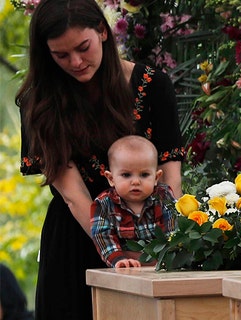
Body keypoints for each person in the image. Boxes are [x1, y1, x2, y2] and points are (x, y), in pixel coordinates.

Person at [15, 0, 184, 318]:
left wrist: (165, 243)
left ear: (103, 32)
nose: (76, 62)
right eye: (61, 55)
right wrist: (117, 253)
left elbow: (170, 176)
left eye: (83, 47)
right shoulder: (39, 100)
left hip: (150, 234)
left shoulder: (154, 86)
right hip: (77, 239)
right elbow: (73, 194)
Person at [91, 135, 177, 268]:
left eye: (144, 175)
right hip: (127, 269)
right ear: (111, 178)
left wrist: (169, 256)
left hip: (163, 266)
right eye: (126, 175)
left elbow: (173, 229)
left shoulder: (163, 196)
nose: (136, 181)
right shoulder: (103, 204)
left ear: (156, 177)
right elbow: (103, 238)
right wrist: (119, 260)